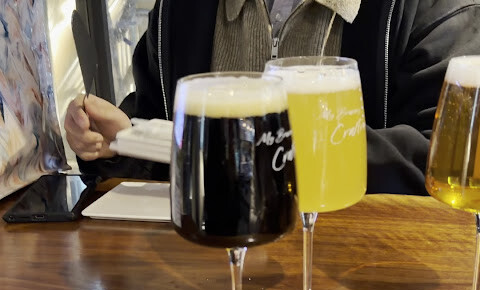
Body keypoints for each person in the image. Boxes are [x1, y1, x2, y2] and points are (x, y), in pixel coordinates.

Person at [64, 0, 480, 195]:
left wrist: (279, 151)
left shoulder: (431, 8)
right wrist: (119, 146)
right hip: (208, 275)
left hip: (362, 278)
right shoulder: (179, 12)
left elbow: (441, 159)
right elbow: (164, 129)